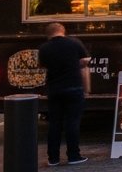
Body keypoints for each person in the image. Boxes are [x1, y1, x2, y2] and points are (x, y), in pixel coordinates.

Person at [38, 22, 89, 166]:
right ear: (62, 30)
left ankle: (53, 158)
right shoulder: (74, 43)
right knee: (72, 122)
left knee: (54, 123)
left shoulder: (44, 48)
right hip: (73, 87)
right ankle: (73, 156)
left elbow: (41, 65)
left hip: (54, 89)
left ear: (48, 34)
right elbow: (85, 61)